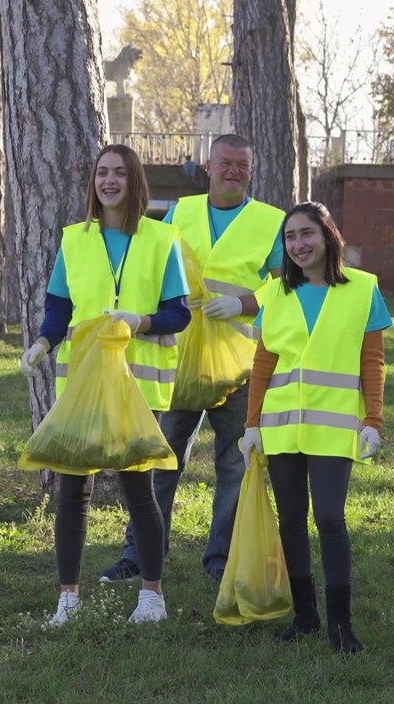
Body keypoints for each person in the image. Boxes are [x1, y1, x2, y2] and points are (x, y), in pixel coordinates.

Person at [102, 133, 285, 585]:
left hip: (240, 363)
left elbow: (287, 283)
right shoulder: (181, 212)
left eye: (242, 164)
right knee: (159, 459)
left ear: (252, 170)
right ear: (209, 166)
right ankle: (141, 553)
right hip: (179, 359)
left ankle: (220, 559)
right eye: (225, 162)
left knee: (234, 464)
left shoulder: (271, 221)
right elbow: (156, 266)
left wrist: (247, 303)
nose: (233, 171)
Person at [19, 144, 191, 626]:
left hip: (138, 385)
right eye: (102, 173)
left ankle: (152, 597)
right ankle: (68, 600)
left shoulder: (162, 239)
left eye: (119, 173)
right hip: (84, 382)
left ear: (135, 181)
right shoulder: (75, 239)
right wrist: (43, 343)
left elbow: (179, 314)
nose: (109, 181)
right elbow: (58, 307)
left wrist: (141, 320)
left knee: (139, 490)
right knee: (73, 489)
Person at [242, 201, 391, 654]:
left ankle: (340, 623)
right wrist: (251, 424)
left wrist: (374, 419)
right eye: (290, 237)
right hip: (281, 423)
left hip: (333, 423)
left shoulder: (363, 289)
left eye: (306, 234)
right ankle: (305, 615)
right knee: (291, 519)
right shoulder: (275, 294)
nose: (298, 244)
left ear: (328, 237)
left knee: (329, 516)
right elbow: (263, 362)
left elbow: (372, 360)